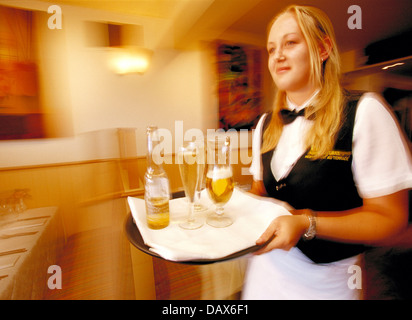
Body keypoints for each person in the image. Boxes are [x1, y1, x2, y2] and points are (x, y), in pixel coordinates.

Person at [242, 4, 412, 299]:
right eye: (271, 49)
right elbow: (262, 191)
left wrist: (308, 223)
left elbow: (391, 221)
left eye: (290, 43)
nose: (277, 55)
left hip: (327, 284)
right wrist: (233, 205)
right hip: (264, 277)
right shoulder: (264, 125)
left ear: (323, 49)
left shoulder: (365, 111)